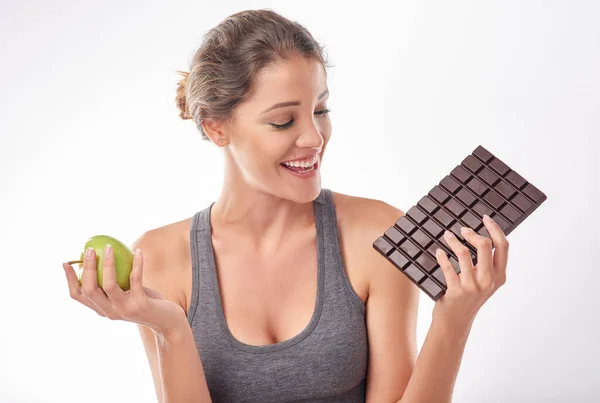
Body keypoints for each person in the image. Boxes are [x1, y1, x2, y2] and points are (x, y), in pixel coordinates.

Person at [62, 8, 509, 403]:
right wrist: (171, 329)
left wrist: (454, 319)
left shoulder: (375, 233)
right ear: (217, 128)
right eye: (283, 120)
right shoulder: (160, 258)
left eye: (320, 110)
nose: (314, 138)